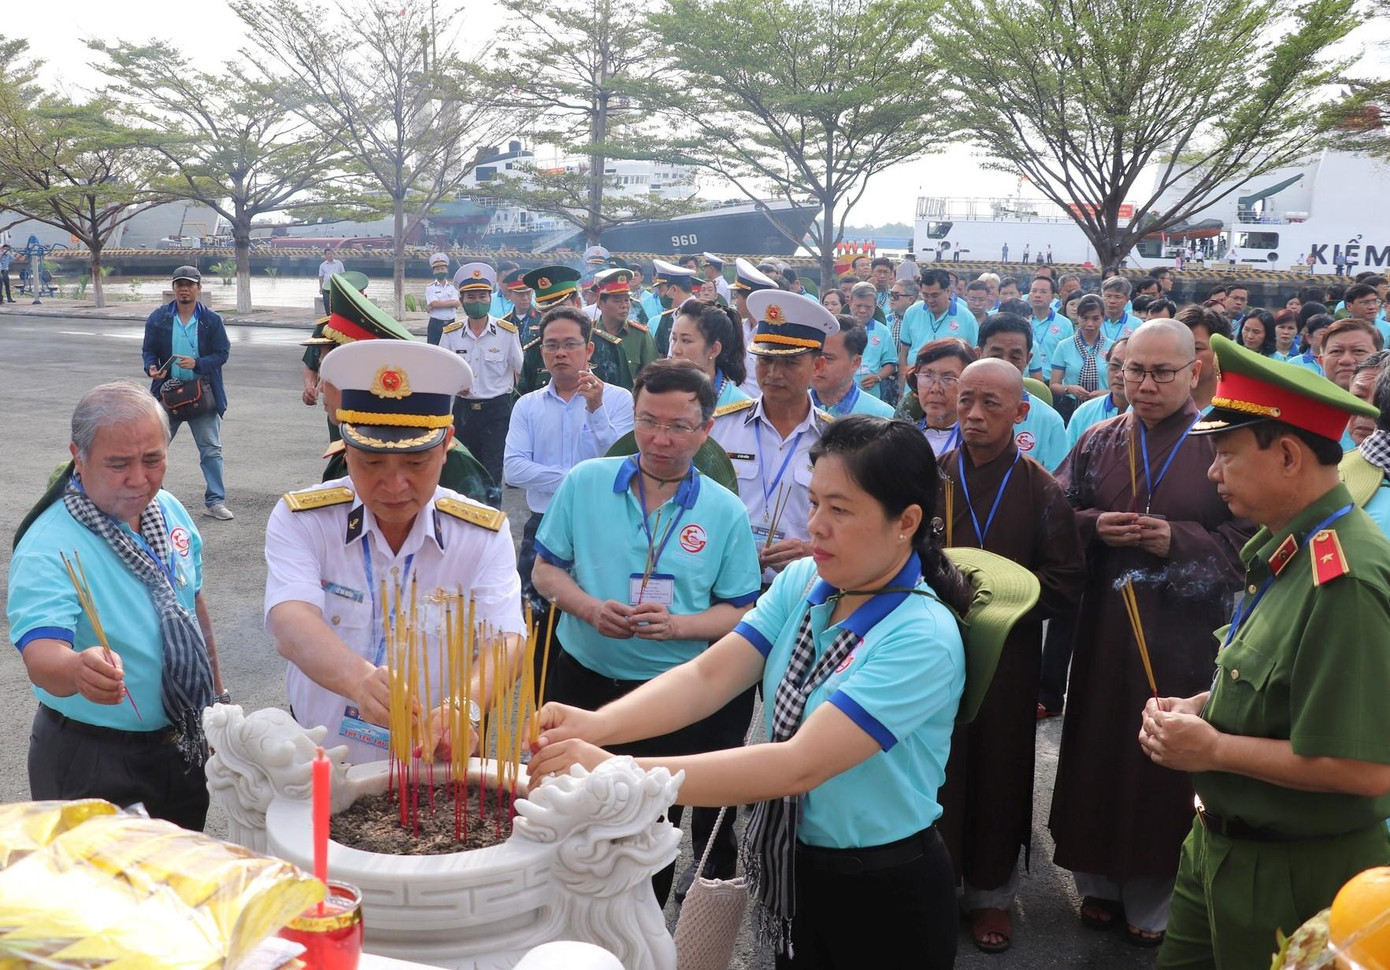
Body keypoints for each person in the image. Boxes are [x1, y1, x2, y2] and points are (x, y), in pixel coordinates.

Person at [530, 415, 1037, 970]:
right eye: (814, 502)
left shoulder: (922, 637)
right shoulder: (806, 584)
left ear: (906, 522)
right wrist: (595, 724)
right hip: (792, 867)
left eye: (840, 509)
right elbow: (708, 677)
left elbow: (798, 765)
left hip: (882, 891)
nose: (816, 525)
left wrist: (616, 772)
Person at [1143, 336, 1390, 970]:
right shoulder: (1288, 548)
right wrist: (1201, 706)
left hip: (1295, 874)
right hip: (1222, 851)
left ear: (1285, 455)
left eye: (1225, 454)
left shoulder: (1346, 578)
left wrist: (1214, 749)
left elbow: (1363, 770)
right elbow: (1276, 685)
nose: (1211, 472)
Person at [1050, 320, 1252, 947]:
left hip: (1188, 636)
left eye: (1162, 372)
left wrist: (1178, 539)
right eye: (1134, 370)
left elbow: (1257, 537)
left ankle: (1158, 894)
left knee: (1165, 754)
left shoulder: (1223, 440)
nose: (1144, 384)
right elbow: (1058, 513)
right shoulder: (1098, 439)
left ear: (1195, 371)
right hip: (1107, 631)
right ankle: (1096, 884)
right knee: (1101, 744)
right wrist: (1092, 526)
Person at [530, 359, 761, 907]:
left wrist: (679, 625)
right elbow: (545, 570)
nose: (660, 439)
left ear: (705, 429)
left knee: (648, 839)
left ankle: (637, 941)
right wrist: (587, 608)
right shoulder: (584, 482)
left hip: (669, 703)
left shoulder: (724, 511)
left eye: (679, 426)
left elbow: (740, 611)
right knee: (562, 820)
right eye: (647, 420)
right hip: (580, 683)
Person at [265, 340, 525, 765]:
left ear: (446, 447)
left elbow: (507, 638)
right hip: (325, 760)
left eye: (417, 463)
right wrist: (360, 682)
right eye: (370, 463)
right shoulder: (305, 519)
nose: (395, 484)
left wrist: (467, 707)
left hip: (432, 765)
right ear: (345, 449)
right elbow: (290, 621)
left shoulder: (480, 533)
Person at [8, 381, 227, 830]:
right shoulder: (49, 545)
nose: (139, 478)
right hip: (94, 758)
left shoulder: (167, 511)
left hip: (181, 746)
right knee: (100, 895)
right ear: (78, 455)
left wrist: (216, 702)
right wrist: (76, 670)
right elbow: (41, 653)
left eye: (153, 459)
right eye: (118, 464)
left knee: (176, 886)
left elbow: (193, 605)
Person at [936, 359, 1085, 954]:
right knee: (935, 766)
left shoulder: (1041, 489)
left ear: (1021, 413)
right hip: (934, 647)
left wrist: (1004, 601)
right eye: (964, 399)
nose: (972, 414)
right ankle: (934, 883)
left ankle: (991, 895)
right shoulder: (932, 478)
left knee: (999, 767)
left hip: (1009, 655)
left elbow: (1067, 580)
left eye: (991, 403)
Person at [309, 275, 492, 501]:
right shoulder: (343, 455)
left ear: (359, 381)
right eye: (371, 462)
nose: (319, 389)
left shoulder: (453, 464)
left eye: (327, 378)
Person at [505, 307, 635, 616]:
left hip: (600, 523)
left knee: (597, 614)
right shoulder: (527, 405)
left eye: (569, 344)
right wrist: (582, 480)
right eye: (551, 345)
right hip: (543, 523)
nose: (560, 352)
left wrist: (596, 411)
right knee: (534, 618)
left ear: (588, 349)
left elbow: (623, 464)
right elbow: (514, 469)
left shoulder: (618, 399)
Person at [710, 291, 837, 581]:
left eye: (790, 363)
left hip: (801, 584)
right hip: (726, 584)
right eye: (765, 360)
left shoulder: (835, 441)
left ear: (817, 366)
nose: (773, 373)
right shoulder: (720, 427)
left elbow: (848, 522)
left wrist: (812, 550)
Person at [140, 266, 233, 521]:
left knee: (211, 449)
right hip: (167, 393)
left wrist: (198, 364)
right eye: (179, 284)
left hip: (201, 394)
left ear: (199, 288)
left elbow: (222, 353)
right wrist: (151, 367)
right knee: (154, 449)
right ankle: (153, 498)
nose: (184, 288)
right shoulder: (159, 318)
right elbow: (148, 350)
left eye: (189, 284)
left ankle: (215, 501)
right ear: (173, 288)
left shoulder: (211, 320)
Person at [440, 262, 522, 508]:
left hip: (496, 411)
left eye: (482, 296)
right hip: (463, 412)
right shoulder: (451, 333)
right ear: (462, 300)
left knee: (492, 469)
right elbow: (442, 370)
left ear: (490, 298)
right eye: (471, 296)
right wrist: (455, 384)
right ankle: (464, 517)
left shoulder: (507, 332)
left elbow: (520, 369)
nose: (477, 300)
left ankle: (492, 520)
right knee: (463, 467)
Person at [977, 314, 1069, 472]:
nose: (1005, 364)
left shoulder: (1050, 421)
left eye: (1015, 357)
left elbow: (1058, 484)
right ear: (978, 355)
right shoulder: (959, 410)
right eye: (995, 355)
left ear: (1028, 358)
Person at [667, 298, 751, 408]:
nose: (675, 350)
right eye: (674, 339)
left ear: (714, 349)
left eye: (686, 341)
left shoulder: (739, 408)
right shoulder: (658, 395)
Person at [898, 269, 979, 377]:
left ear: (948, 291)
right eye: (925, 295)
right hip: (914, 382)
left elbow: (973, 357)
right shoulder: (912, 313)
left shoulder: (967, 318)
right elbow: (904, 353)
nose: (930, 300)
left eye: (935, 295)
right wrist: (903, 384)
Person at [810, 317, 895, 418]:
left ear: (855, 362)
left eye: (828, 358)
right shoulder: (790, 406)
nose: (816, 365)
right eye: (812, 356)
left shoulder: (881, 416)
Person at [1049, 293, 1113, 419]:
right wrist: (1069, 389)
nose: (1090, 324)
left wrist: (1104, 393)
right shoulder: (1064, 346)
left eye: (1095, 319)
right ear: (1078, 318)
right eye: (1084, 318)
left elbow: (1120, 386)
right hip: (1070, 408)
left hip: (1104, 407)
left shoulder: (1112, 347)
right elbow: (1054, 385)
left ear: (1103, 318)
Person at [910, 339, 975, 454]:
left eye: (948, 379)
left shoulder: (976, 443)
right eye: (927, 376)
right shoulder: (904, 437)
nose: (935, 389)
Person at [593, 267, 658, 381]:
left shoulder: (640, 335)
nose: (624, 305)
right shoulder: (588, 333)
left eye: (627, 300)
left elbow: (653, 376)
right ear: (600, 303)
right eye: (617, 300)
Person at [1066, 337, 1130, 447]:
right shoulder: (1084, 413)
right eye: (1114, 366)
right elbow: (1066, 459)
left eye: (1130, 368)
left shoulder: (1152, 417)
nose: (1119, 375)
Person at [1177, 303, 1233, 412]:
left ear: (1220, 352)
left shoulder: (1236, 409)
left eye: (1196, 348)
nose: (1185, 356)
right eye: (1178, 348)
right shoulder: (1156, 403)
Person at [845, 282, 896, 398]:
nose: (862, 311)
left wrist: (877, 377)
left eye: (868, 307)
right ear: (850, 303)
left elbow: (891, 363)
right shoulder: (839, 327)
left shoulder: (883, 331)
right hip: (840, 391)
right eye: (858, 306)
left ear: (875, 306)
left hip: (870, 393)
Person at [1027, 275, 1073, 378]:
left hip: (1053, 383)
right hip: (1026, 383)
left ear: (1052, 297)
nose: (1037, 295)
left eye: (1043, 292)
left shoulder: (1065, 324)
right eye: (1034, 291)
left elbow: (1069, 357)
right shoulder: (1021, 321)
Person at [651, 259, 699, 356]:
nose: (660, 294)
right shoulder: (675, 314)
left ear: (673, 290)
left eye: (661, 289)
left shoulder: (700, 315)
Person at [424, 252, 460, 346]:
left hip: (451, 324)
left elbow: (456, 303)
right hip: (435, 324)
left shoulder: (453, 287)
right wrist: (450, 303)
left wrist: (438, 304)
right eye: (437, 269)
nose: (440, 271)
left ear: (447, 270)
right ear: (434, 272)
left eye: (442, 269)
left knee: (451, 350)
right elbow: (434, 304)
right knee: (433, 351)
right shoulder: (430, 287)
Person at [1101, 276, 1138, 342]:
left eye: (1117, 297)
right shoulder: (1093, 322)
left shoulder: (1136, 324)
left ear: (1127, 300)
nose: (1112, 301)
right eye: (1108, 296)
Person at [317, 246, 344, 315]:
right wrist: (320, 288)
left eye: (331, 253)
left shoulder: (339, 263)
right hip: (326, 285)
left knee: (335, 301)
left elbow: (343, 275)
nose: (330, 255)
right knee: (326, 301)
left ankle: (336, 314)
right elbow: (321, 277)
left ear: (333, 254)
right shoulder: (322, 265)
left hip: (336, 285)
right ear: (325, 255)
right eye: (328, 254)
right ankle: (328, 315)